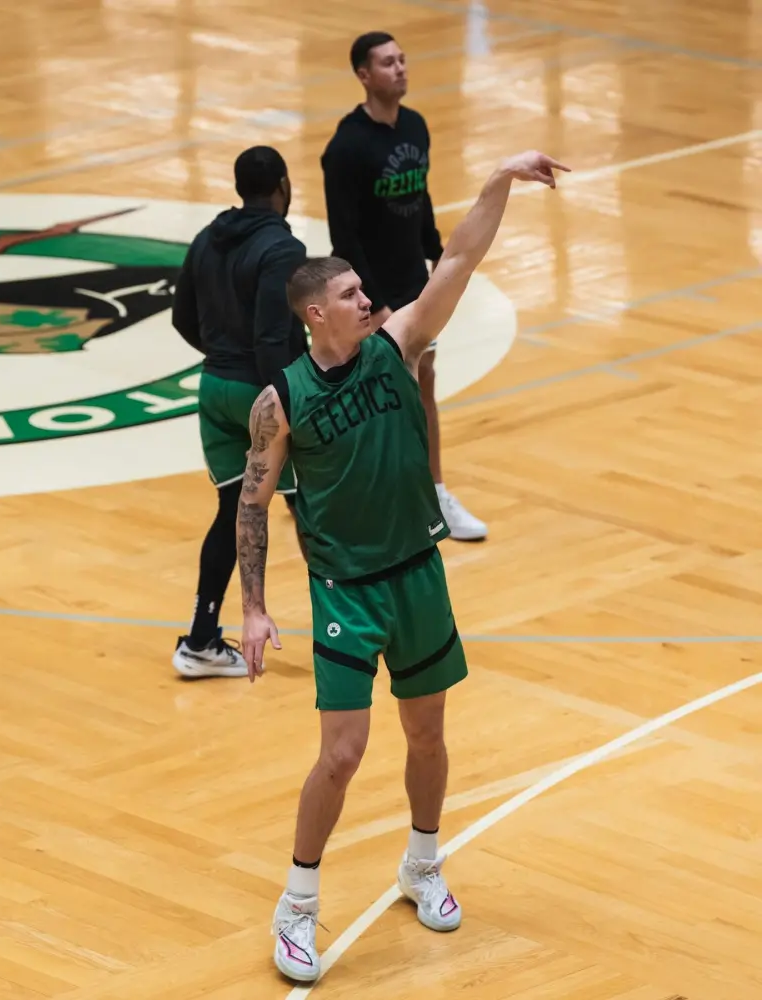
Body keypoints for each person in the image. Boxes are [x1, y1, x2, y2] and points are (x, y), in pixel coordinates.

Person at [236, 148, 569, 981]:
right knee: (342, 755)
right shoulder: (280, 400)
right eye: (350, 294)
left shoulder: (398, 343)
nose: (368, 298)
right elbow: (251, 502)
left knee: (428, 737)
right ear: (317, 314)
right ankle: (297, 907)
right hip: (347, 588)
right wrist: (252, 606)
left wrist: (497, 181)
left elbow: (457, 258)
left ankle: (422, 863)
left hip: (418, 571)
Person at [320, 30, 487, 542]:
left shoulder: (414, 126)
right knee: (372, 397)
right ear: (363, 75)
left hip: (415, 282)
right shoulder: (346, 148)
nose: (400, 69)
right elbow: (344, 234)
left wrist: (437, 254)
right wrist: (376, 304)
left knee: (422, 387)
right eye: (388, 63)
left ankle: (433, 492)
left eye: (402, 60)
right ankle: (349, 493)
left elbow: (421, 200)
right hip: (374, 294)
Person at [170, 145, 308, 679]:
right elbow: (274, 339)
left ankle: (202, 639)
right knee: (309, 506)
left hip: (215, 387)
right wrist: (292, 401)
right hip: (262, 394)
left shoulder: (208, 237)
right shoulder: (281, 247)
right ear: (281, 185)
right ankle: (346, 629)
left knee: (233, 510)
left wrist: (221, 355)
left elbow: (183, 317)